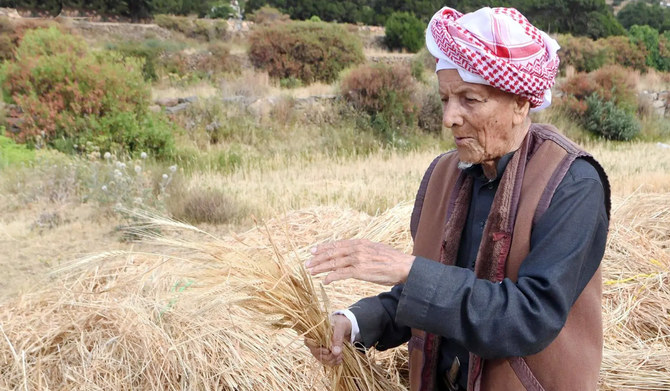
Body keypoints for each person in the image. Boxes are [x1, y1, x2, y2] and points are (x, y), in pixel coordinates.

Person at [304, 6, 610, 391]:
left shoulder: (572, 184)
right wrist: (353, 323)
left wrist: (409, 270)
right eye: (445, 98)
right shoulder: (441, 175)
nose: (449, 117)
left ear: (520, 104)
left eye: (470, 99)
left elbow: (529, 319)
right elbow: (427, 297)